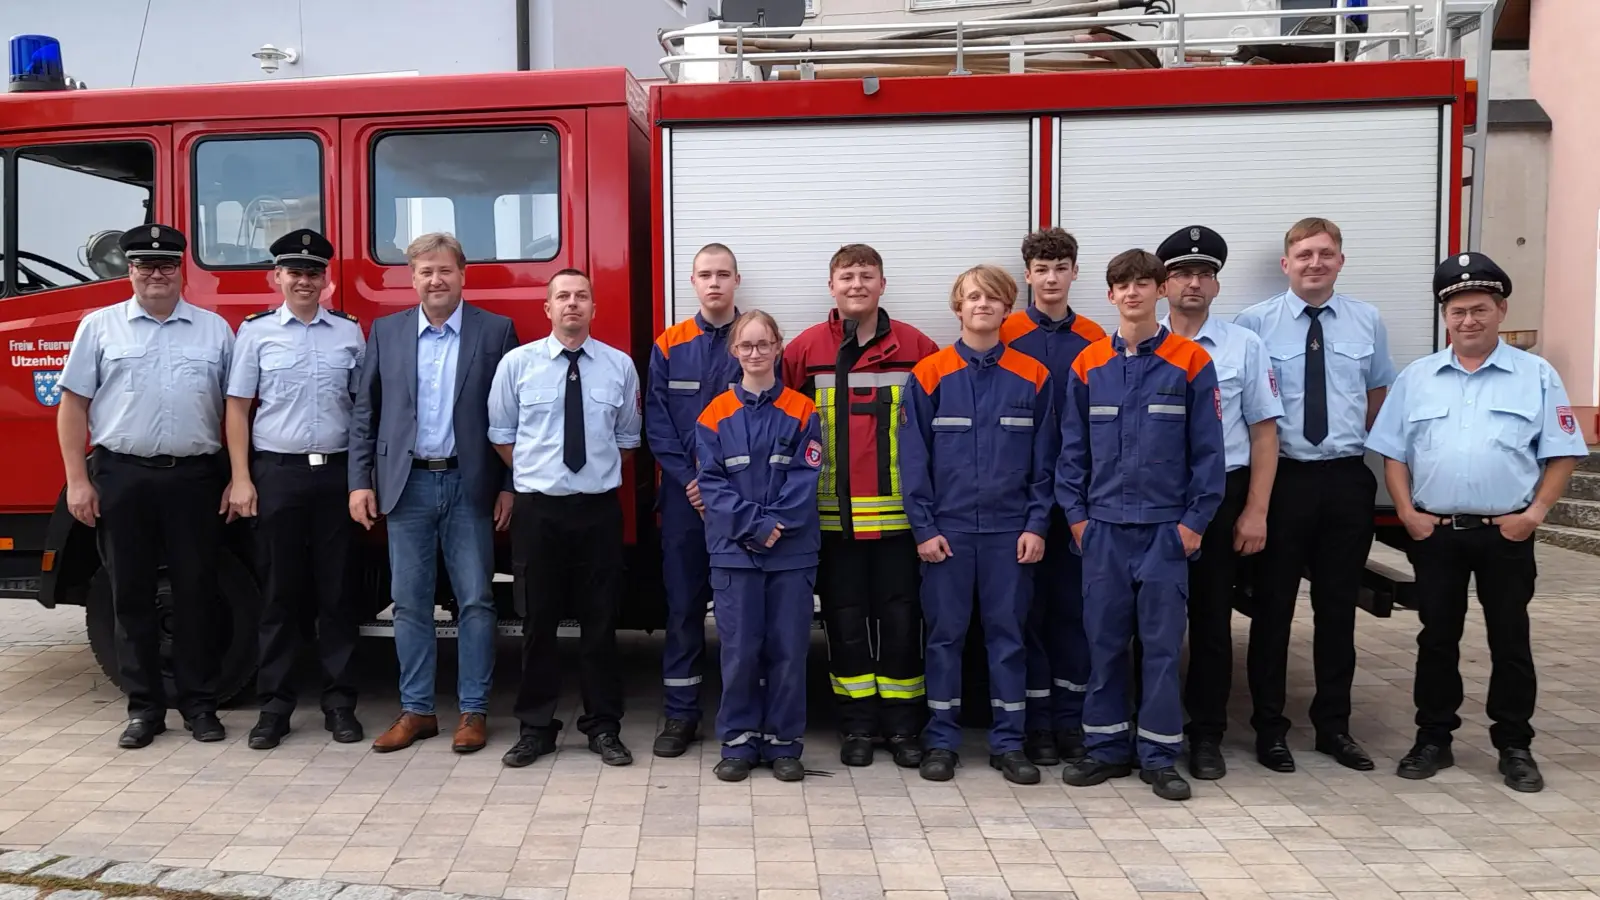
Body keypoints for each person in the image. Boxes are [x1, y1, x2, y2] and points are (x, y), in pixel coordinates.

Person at [1367, 252, 1584, 793]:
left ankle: (1514, 746)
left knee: (1510, 639)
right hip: (1437, 534)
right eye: (1458, 310)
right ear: (1445, 316)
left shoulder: (1535, 376)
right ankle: (1433, 739)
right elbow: (1392, 453)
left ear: (1500, 309)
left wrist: (1534, 515)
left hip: (1505, 532)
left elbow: (1562, 453)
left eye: (1480, 309)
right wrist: (1409, 514)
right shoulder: (1418, 378)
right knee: (1437, 638)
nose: (1469, 320)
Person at [56, 224, 237, 748]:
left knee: (198, 594)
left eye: (166, 265)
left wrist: (234, 476)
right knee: (130, 596)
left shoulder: (214, 330)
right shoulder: (99, 327)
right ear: (129, 270)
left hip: (195, 478)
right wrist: (77, 481)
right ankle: (144, 710)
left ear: (183, 270)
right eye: (144, 265)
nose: (156, 274)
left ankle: (201, 707)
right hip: (123, 476)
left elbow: (235, 411)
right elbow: (73, 408)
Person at [1057, 249, 1225, 801]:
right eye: (1121, 285)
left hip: (1163, 533)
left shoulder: (1191, 362)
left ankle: (1158, 755)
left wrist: (1193, 524)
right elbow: (1071, 452)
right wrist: (1078, 519)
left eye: (1142, 284)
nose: (1132, 293)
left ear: (1161, 291)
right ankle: (1105, 749)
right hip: (1103, 532)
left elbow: (1208, 453)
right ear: (1109, 296)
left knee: (1159, 648)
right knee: (1102, 645)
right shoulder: (1086, 366)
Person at [1233, 217, 1397, 773]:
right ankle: (1270, 730)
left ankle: (1334, 728)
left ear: (1341, 261)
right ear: (1286, 264)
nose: (1314, 263)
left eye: (1325, 254)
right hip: (1284, 480)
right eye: (1303, 254)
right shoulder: (1254, 324)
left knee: (1336, 613)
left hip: (1347, 478)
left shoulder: (1366, 320)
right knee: (1272, 610)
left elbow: (1377, 394)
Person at [348, 232, 520, 755]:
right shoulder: (387, 332)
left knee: (476, 601)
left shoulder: (496, 331)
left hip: (471, 484)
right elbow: (365, 414)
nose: (435, 280)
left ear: (463, 274)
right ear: (412, 278)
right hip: (407, 486)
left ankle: (473, 712)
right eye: (425, 271)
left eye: (445, 270)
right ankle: (417, 711)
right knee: (411, 604)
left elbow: (518, 414)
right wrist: (359, 481)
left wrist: (510, 484)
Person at [782, 243, 939, 768]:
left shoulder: (918, 346)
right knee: (845, 625)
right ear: (831, 286)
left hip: (900, 521)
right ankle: (856, 726)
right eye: (846, 276)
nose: (856, 285)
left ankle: (902, 727)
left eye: (866, 276)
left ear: (882, 284)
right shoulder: (804, 350)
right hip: (830, 520)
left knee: (901, 624)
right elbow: (782, 428)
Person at [902, 265, 1057, 785]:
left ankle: (1009, 743)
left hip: (1009, 536)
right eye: (973, 297)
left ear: (1008, 308)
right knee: (944, 638)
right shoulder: (928, 375)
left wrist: (1037, 525)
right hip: (946, 534)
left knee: (1008, 638)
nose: (983, 305)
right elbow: (912, 462)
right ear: (958, 307)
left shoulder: (1034, 376)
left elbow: (1046, 464)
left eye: (993, 298)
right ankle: (941, 740)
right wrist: (923, 529)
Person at [491, 269, 643, 768]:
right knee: (538, 623)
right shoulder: (517, 365)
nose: (572, 304)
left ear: (594, 309)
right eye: (563, 297)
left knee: (601, 624)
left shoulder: (619, 367)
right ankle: (536, 728)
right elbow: (501, 433)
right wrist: (539, 476)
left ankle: (603, 726)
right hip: (539, 511)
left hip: (597, 510)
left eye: (581, 297)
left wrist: (586, 480)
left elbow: (625, 440)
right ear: (548, 308)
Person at [225, 229, 367, 749]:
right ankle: (276, 707)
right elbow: (238, 408)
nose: (304, 280)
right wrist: (241, 478)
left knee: (337, 593)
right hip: (278, 474)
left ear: (327, 280)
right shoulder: (256, 333)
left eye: (314, 272)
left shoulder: (350, 334)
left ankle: (339, 704)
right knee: (280, 594)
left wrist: (362, 478)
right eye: (295, 272)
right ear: (276, 277)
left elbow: (361, 412)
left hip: (336, 473)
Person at [1155, 226, 1284, 780]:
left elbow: (1263, 432)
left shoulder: (1244, 347)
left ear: (1215, 284)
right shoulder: (1139, 342)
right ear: (1162, 285)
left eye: (1204, 274)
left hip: (1220, 496)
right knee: (1149, 621)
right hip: (1153, 498)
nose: (1194, 283)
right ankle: (1150, 726)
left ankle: (1206, 733)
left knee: (1210, 621)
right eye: (1182, 273)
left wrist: (1255, 510)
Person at [693, 310, 823, 782]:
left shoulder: (804, 410)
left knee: (789, 650)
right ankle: (739, 741)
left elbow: (807, 476)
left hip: (791, 554)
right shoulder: (712, 417)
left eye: (763, 344)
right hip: (735, 554)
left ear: (778, 347)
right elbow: (711, 483)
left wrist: (776, 525)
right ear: (735, 353)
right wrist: (754, 526)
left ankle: (784, 744)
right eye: (745, 346)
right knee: (740, 651)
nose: (754, 353)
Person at [999, 226, 1106, 766]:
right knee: (1025, 616)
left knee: (1073, 612)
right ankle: (1035, 722)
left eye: (1061, 267)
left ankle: (1072, 721)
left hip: (1080, 499)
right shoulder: (1007, 332)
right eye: (1042, 269)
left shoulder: (1094, 338)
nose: (1051, 278)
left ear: (1074, 273)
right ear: (1027, 275)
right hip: (1021, 500)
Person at [645, 243, 744, 758]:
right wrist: (691, 480)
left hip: (741, 502)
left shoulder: (755, 340)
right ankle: (680, 716)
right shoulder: (670, 343)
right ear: (692, 281)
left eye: (723, 274)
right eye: (705, 274)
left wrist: (722, 488)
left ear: (737, 280)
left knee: (740, 614)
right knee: (683, 609)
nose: (714, 283)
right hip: (686, 502)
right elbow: (657, 424)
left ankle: (742, 715)